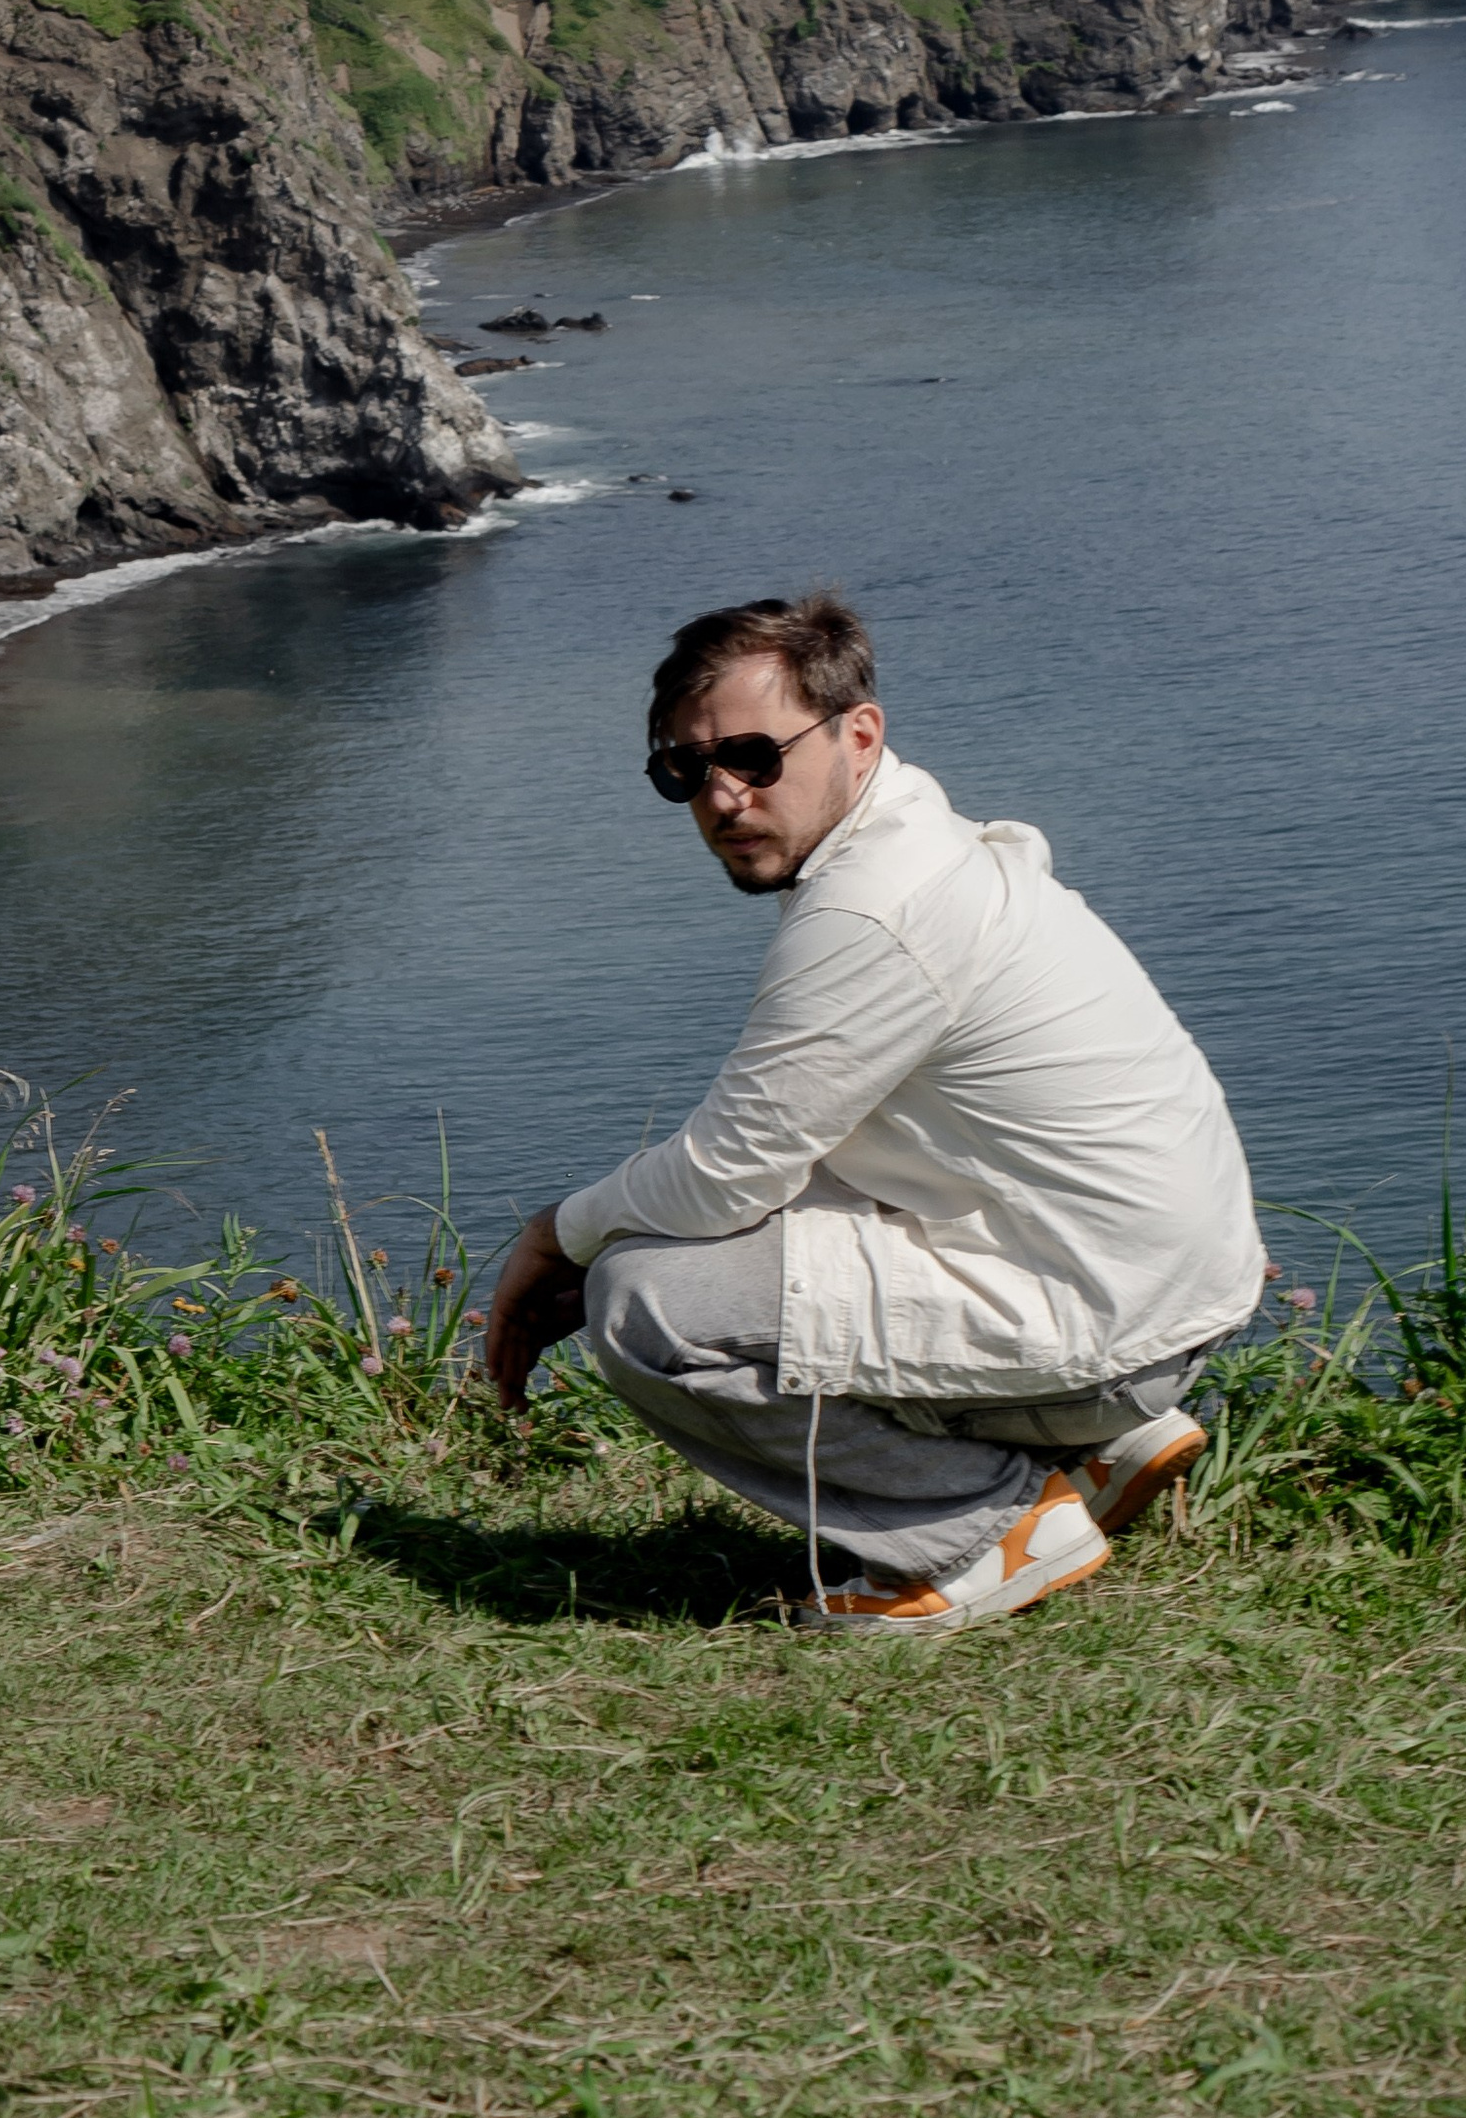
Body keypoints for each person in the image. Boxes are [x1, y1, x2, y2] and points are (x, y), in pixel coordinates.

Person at [484, 592, 1265, 1635]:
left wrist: (556, 1235)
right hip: (1144, 1282)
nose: (722, 796)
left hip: (1116, 1321)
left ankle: (984, 1528)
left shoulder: (874, 906)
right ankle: (1080, 1452)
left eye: (757, 756)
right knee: (764, 1220)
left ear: (859, 734)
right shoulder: (918, 839)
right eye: (685, 769)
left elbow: (726, 1172)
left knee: (643, 1300)